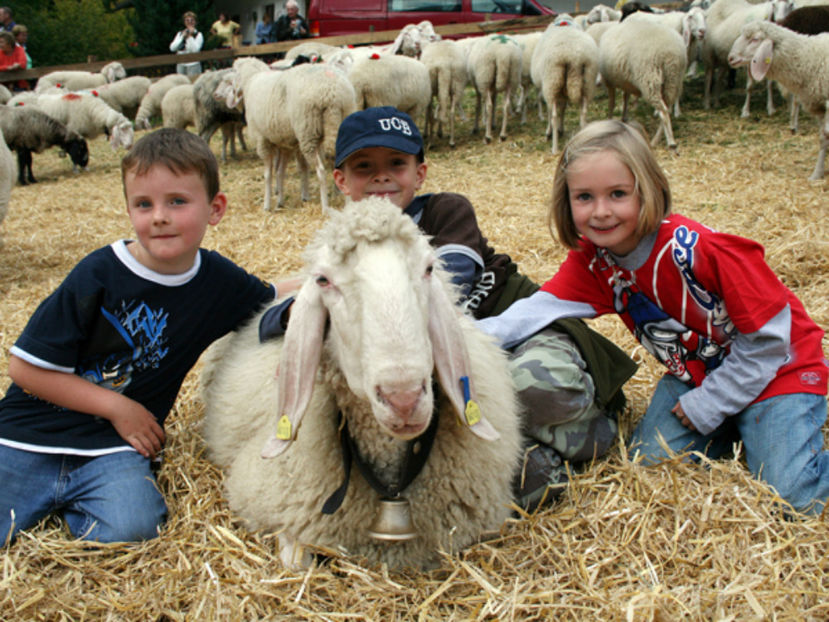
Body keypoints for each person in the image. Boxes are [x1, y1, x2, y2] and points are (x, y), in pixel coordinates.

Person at [260, 107, 637, 512]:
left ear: (419, 173)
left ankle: (595, 431)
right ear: (341, 181)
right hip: (447, 344)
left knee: (529, 384)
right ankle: (524, 459)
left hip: (514, 325)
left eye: (396, 164)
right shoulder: (341, 246)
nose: (381, 177)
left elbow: (450, 280)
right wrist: (310, 314)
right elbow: (276, 318)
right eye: (364, 166)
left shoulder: (445, 211)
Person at [479, 119, 829, 516]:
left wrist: (711, 403)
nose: (601, 212)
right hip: (698, 372)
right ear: (567, 200)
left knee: (795, 496)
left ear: (649, 189)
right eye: (584, 197)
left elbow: (770, 343)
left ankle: (772, 418)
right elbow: (530, 313)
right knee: (649, 464)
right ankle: (744, 425)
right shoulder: (597, 263)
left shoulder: (702, 250)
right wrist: (460, 338)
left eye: (617, 194)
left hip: (778, 370)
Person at [0, 129, 298, 545]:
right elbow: (25, 368)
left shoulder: (218, 282)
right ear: (129, 210)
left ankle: (70, 500)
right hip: (28, 436)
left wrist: (338, 274)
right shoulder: (99, 273)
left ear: (215, 209)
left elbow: (273, 295)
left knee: (135, 528)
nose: (159, 216)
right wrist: (120, 408)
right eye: (144, 204)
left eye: (177, 201)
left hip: (113, 449)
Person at [169, 11, 203, 76]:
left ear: (195, 22)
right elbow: (172, 48)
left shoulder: (199, 35)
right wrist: (182, 37)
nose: (189, 22)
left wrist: (189, 37)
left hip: (193, 64)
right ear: (184, 22)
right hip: (181, 64)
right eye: (187, 20)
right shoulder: (180, 34)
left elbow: (195, 50)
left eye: (192, 20)